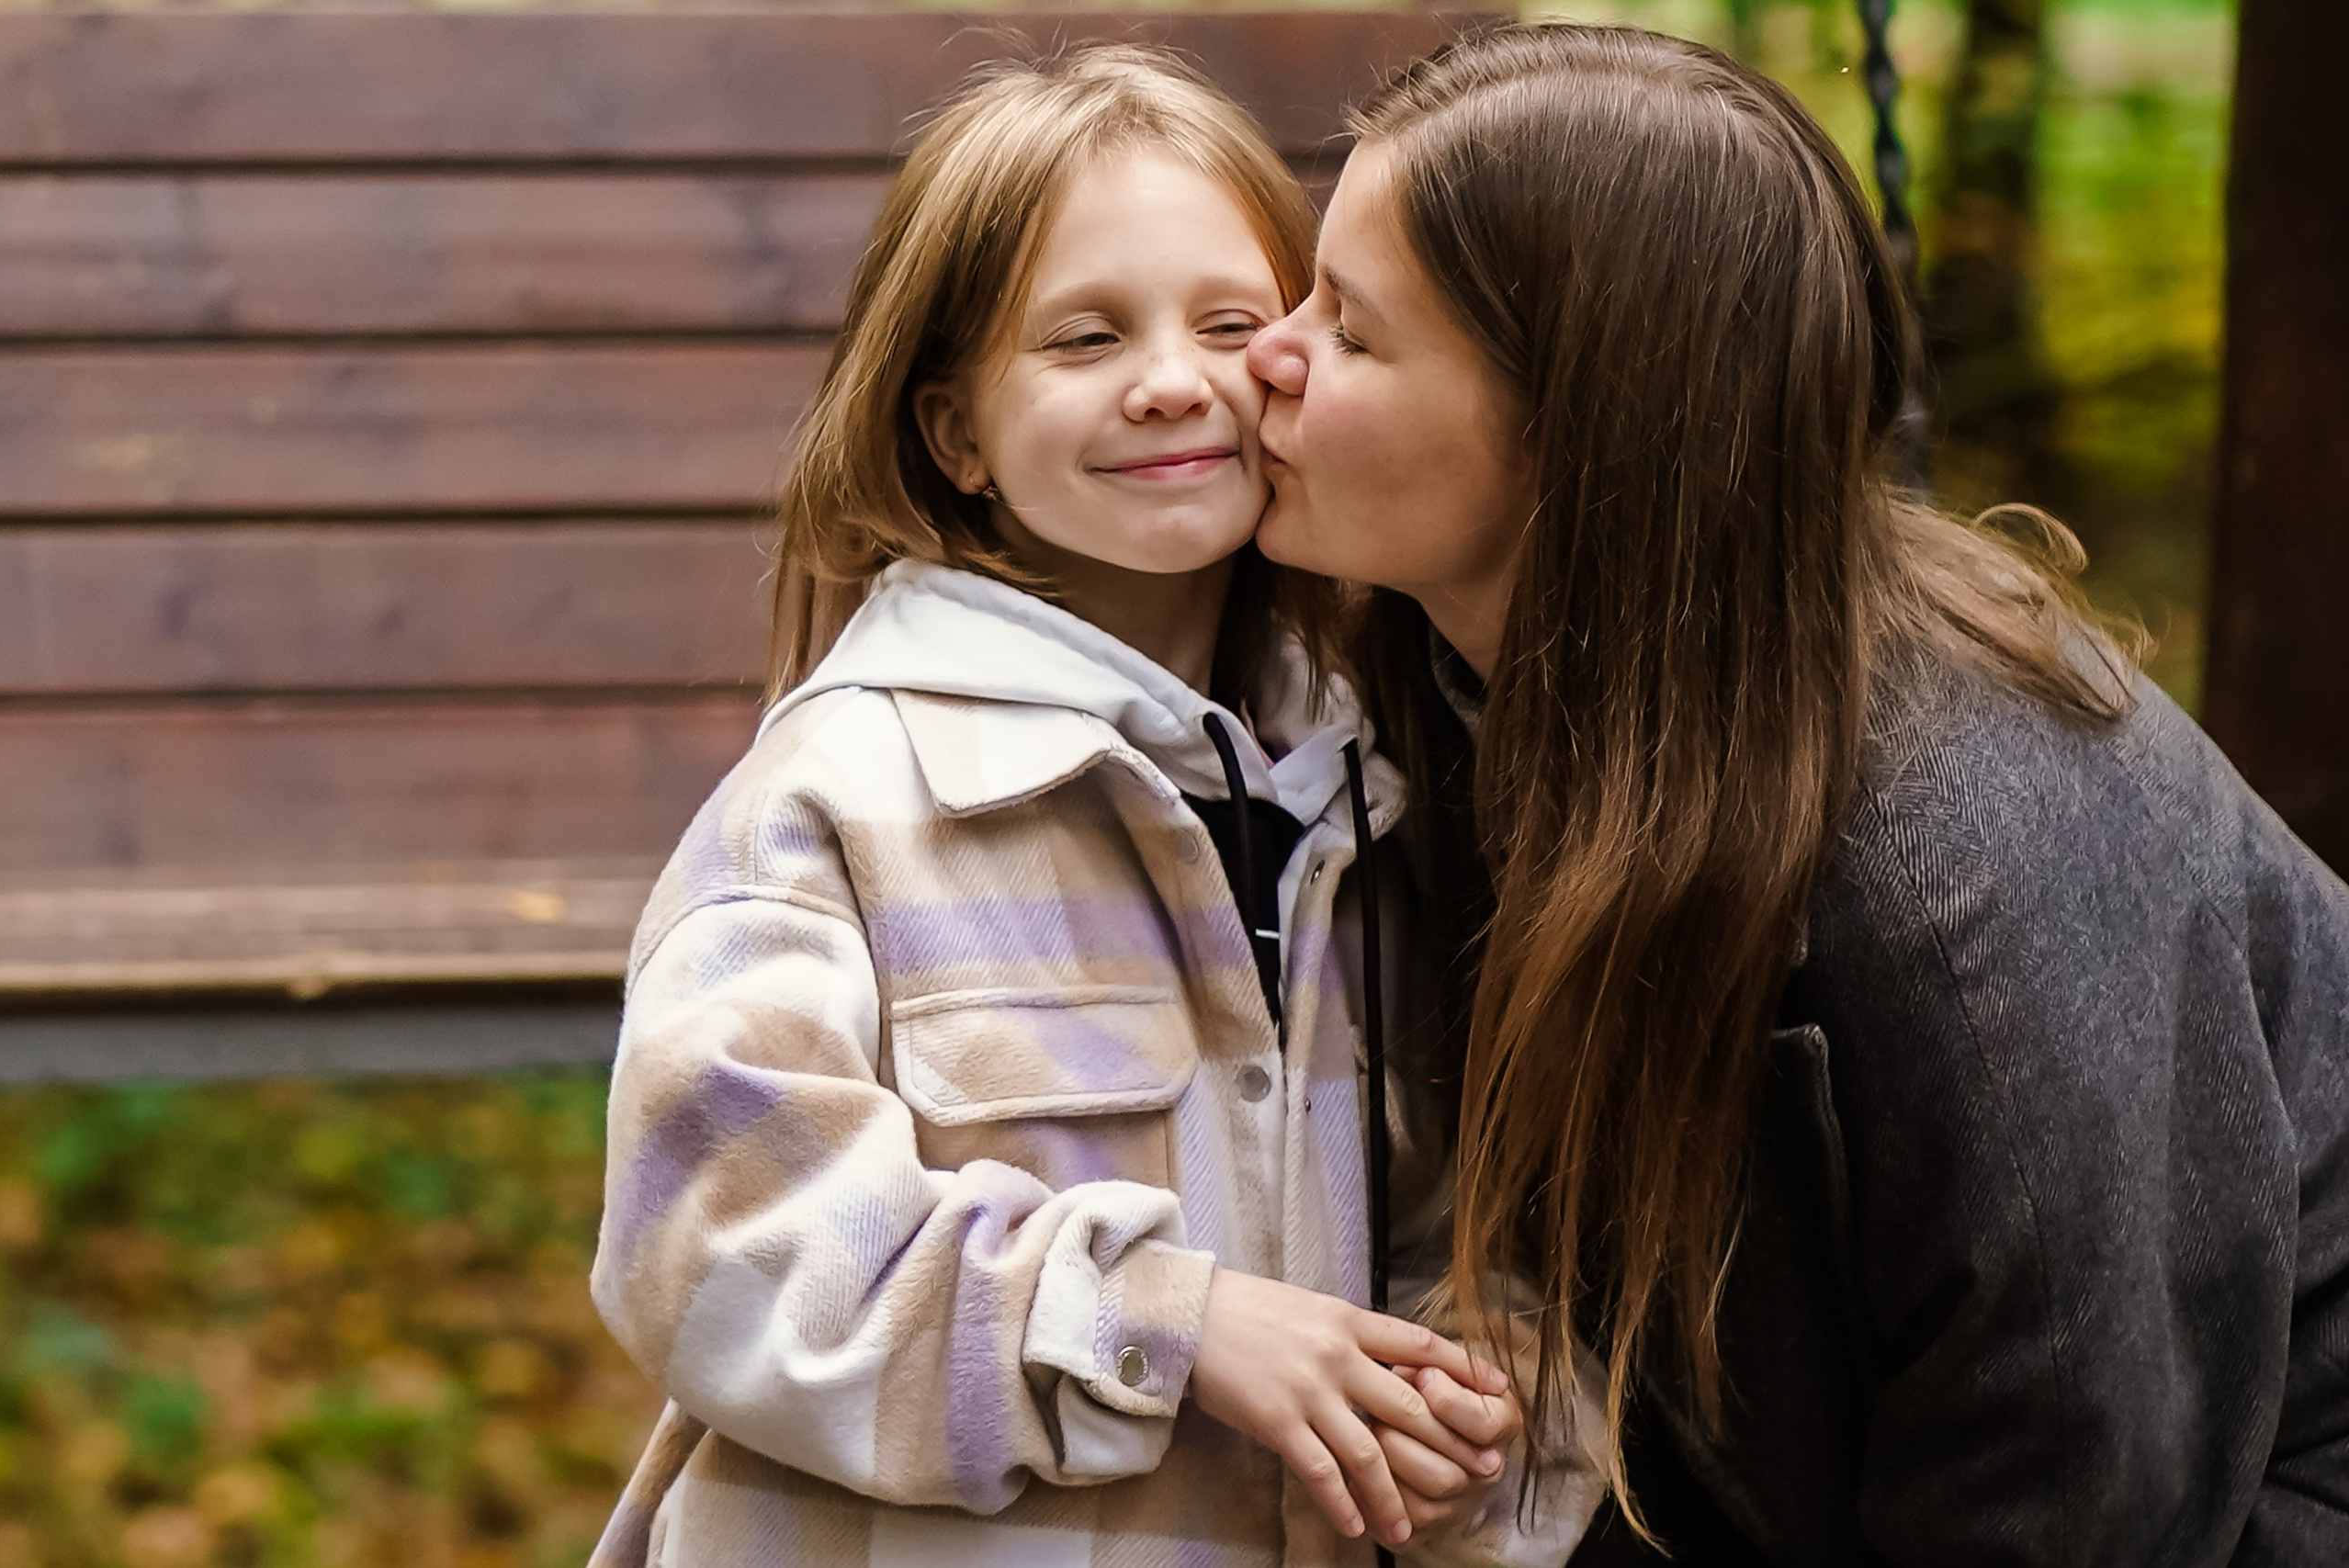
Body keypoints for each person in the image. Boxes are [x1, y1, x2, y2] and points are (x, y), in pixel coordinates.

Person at [1245, 21, 2349, 1566]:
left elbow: (2081, 1461)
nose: (1266, 357)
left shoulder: (1959, 853)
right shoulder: (1477, 688)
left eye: (1350, 332)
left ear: (1582, 430)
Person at [584, 46, 1575, 1568]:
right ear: (957, 433)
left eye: (1232, 323)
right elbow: (713, 1249)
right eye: (1085, 336)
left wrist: (1467, 1405)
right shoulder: (844, 796)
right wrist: (1171, 1326)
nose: (1173, 378)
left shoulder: (1376, 796)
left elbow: (1472, 1219)